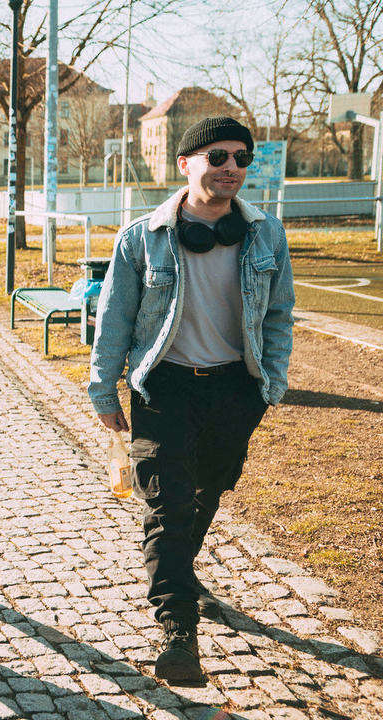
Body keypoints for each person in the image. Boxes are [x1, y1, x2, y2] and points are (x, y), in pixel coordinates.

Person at [89, 116, 294, 684]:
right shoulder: (141, 237)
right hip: (166, 385)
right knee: (167, 504)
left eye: (241, 158)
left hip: (236, 387)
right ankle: (178, 627)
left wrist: (270, 384)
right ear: (186, 163)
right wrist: (103, 390)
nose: (232, 167)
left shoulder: (265, 234)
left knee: (210, 488)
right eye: (218, 156)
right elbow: (114, 323)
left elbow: (278, 314)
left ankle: (181, 569)